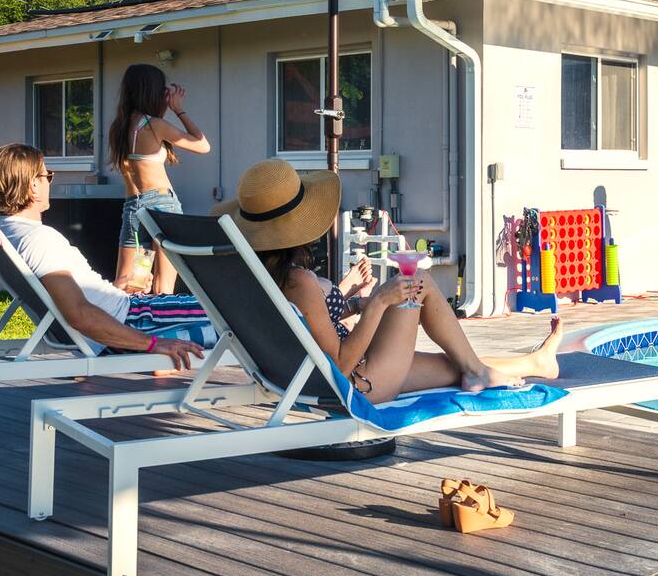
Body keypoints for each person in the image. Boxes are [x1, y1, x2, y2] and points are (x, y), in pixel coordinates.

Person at [213, 158, 564, 404]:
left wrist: (355, 304)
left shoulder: (255, 276)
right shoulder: (298, 282)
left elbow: (310, 325)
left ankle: (536, 363)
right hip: (360, 383)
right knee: (419, 280)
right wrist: (379, 302)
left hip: (310, 378)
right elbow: (339, 366)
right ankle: (477, 371)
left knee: (451, 365)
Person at [0, 143, 212, 369]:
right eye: (47, 176)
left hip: (121, 312)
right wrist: (153, 343)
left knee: (219, 313)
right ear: (33, 185)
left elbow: (73, 299)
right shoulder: (39, 240)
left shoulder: (6, 233)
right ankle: (174, 345)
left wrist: (114, 289)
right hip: (134, 319)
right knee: (223, 311)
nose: (49, 182)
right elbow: (79, 314)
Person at [107, 64, 210, 294]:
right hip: (163, 207)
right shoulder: (154, 125)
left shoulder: (118, 127)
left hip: (133, 207)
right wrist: (178, 110)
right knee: (163, 287)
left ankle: (130, 318)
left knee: (130, 283)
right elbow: (203, 145)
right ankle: (161, 318)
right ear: (152, 92)